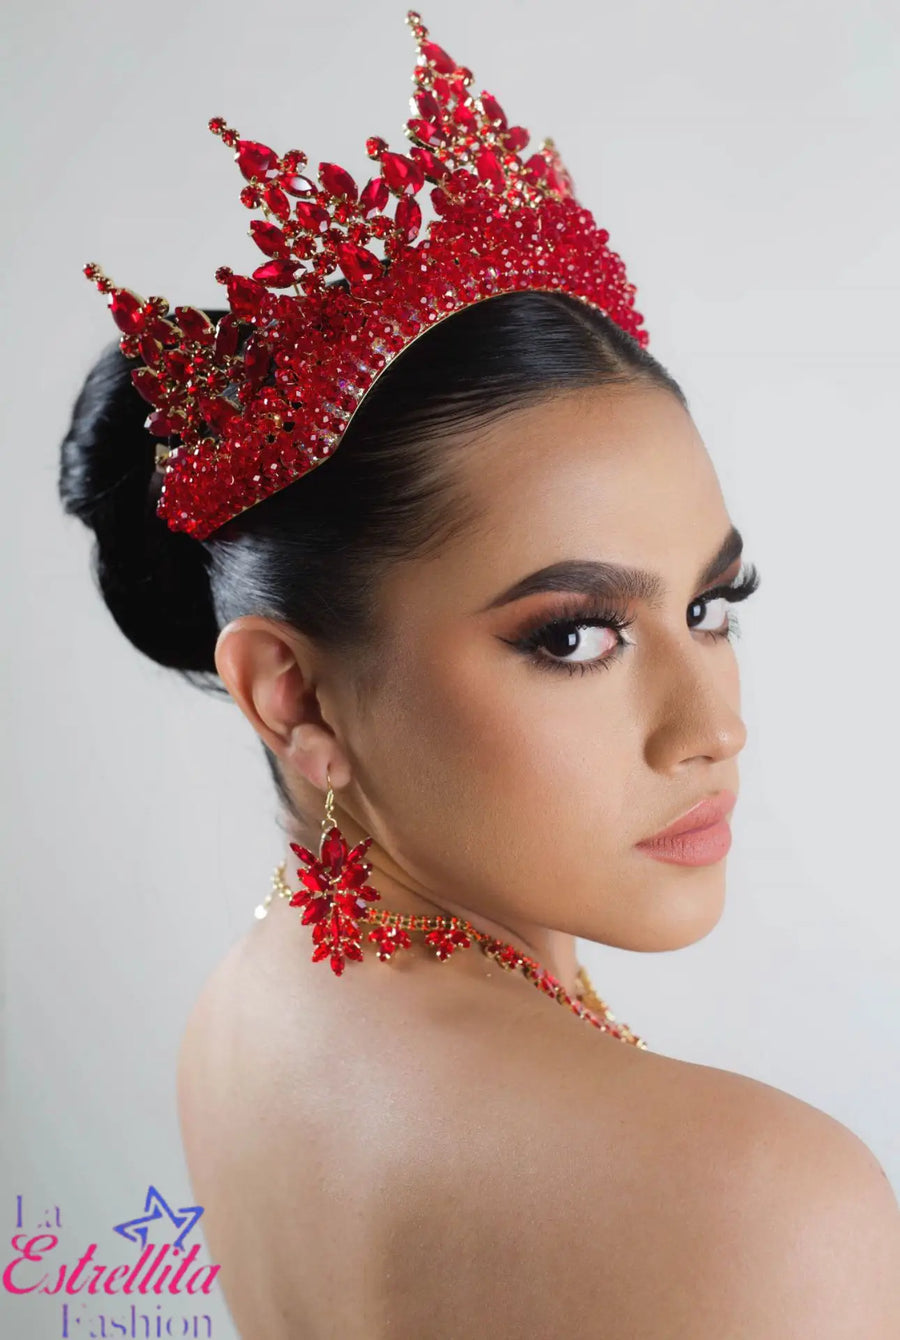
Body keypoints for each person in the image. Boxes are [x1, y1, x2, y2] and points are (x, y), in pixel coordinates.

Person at [59, 10, 900, 1338]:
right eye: (575, 634)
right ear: (294, 692)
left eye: (712, 603)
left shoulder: (244, 1015)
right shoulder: (766, 1202)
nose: (714, 724)